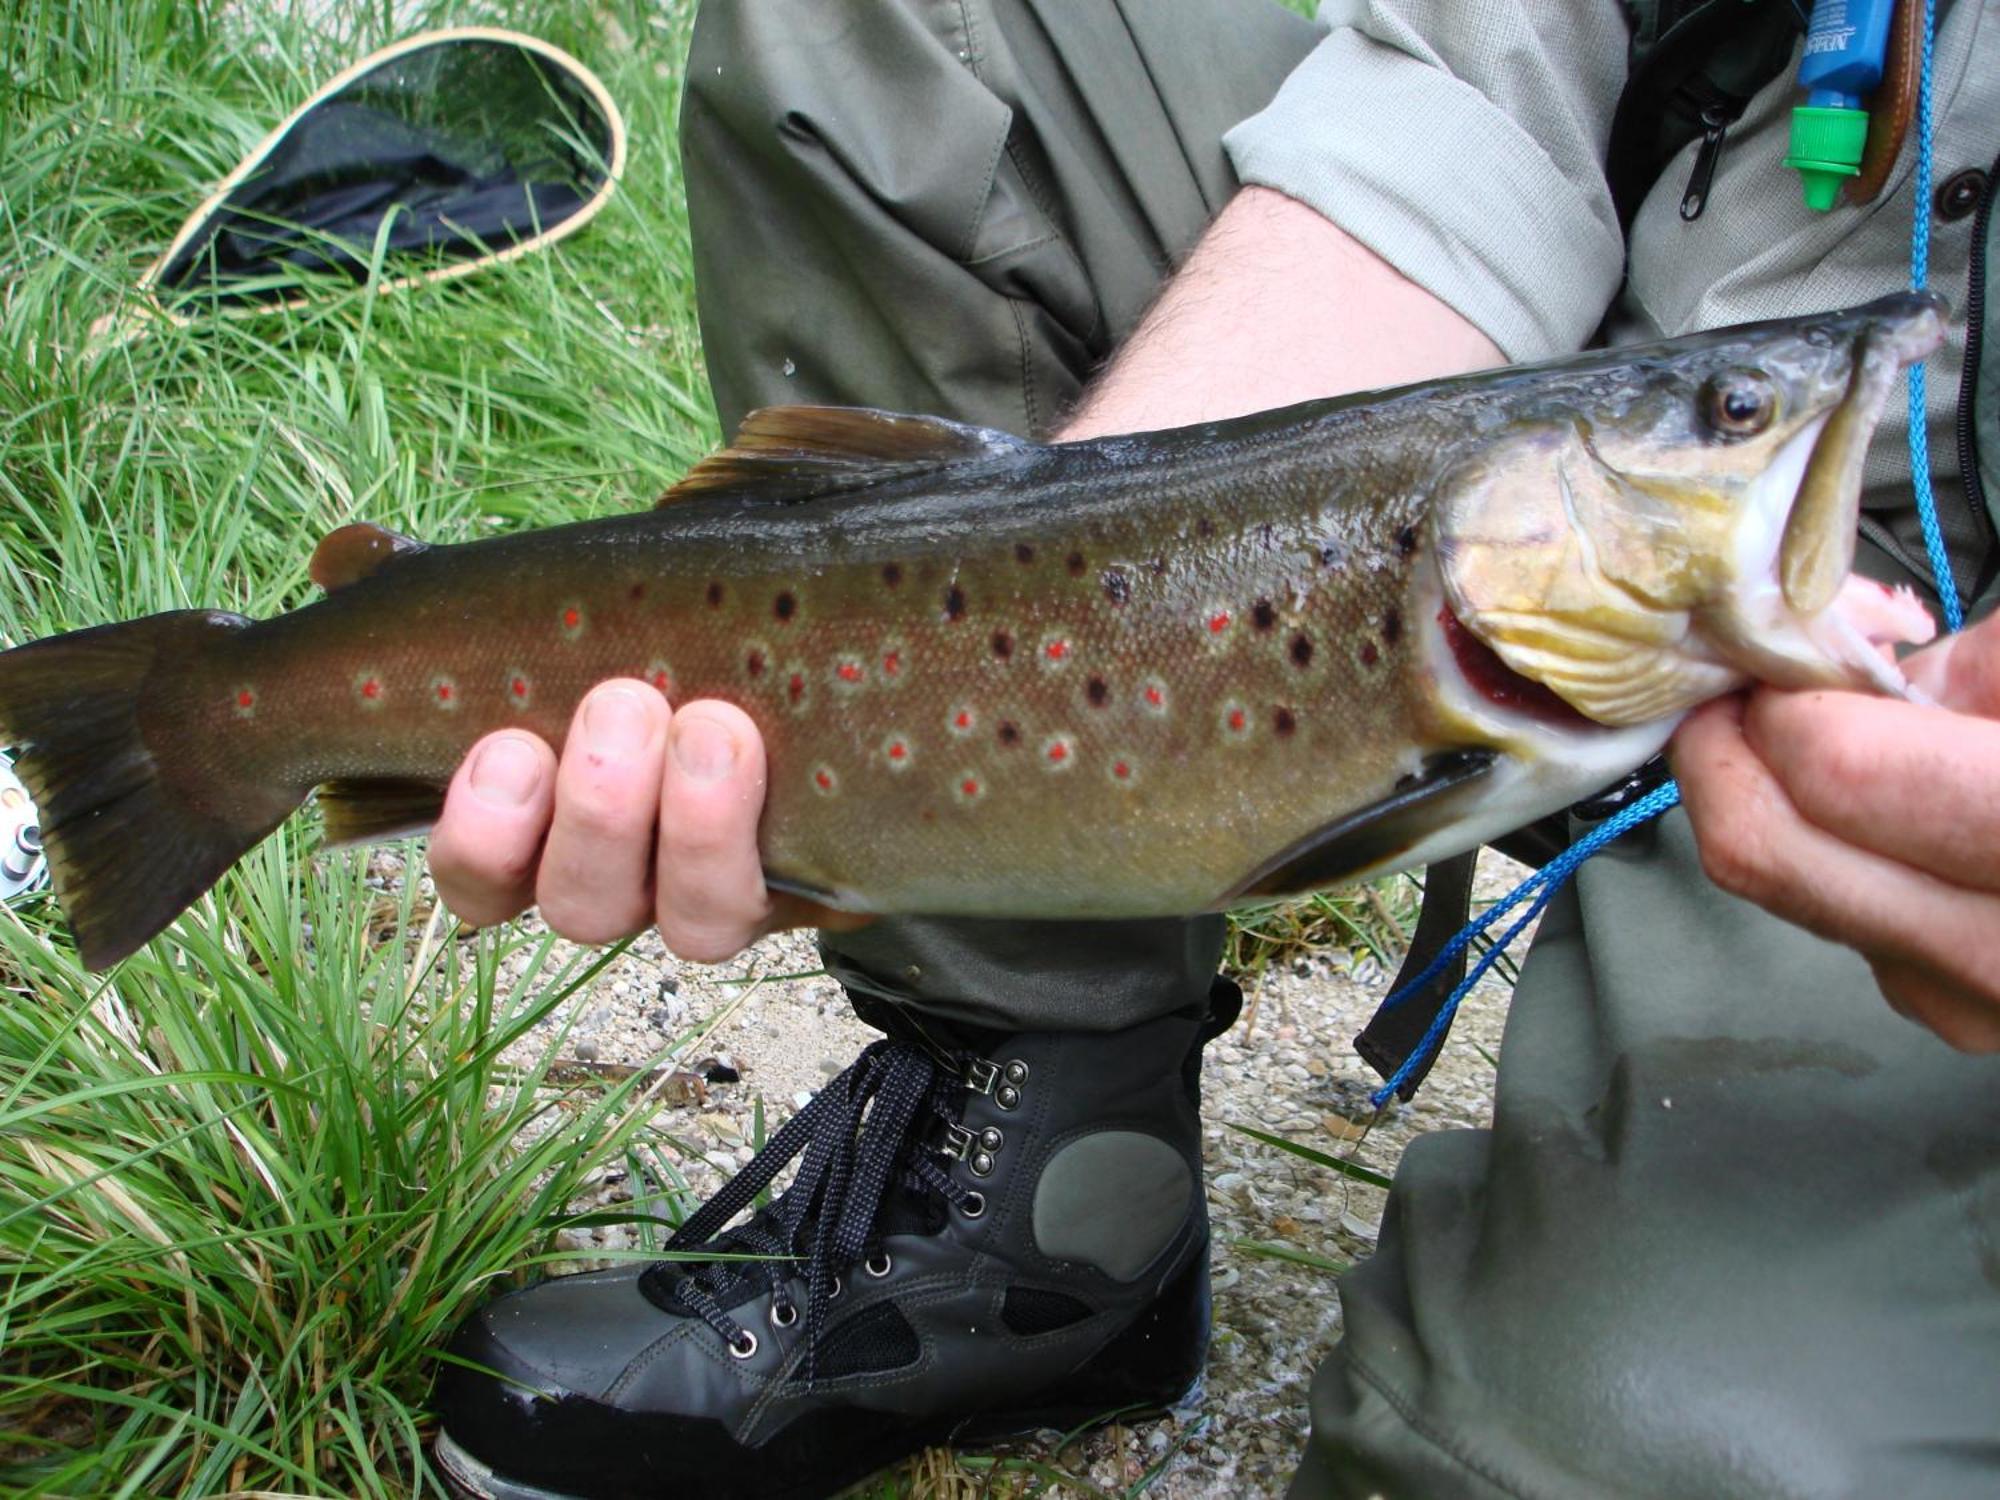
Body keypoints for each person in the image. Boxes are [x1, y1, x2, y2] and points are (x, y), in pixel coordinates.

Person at [428, 3, 2000, 1497]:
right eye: (1737, 420)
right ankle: (1051, 1173)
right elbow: (1471, 97)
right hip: (1572, 389)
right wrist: (1052, 604)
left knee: (1589, 1462)